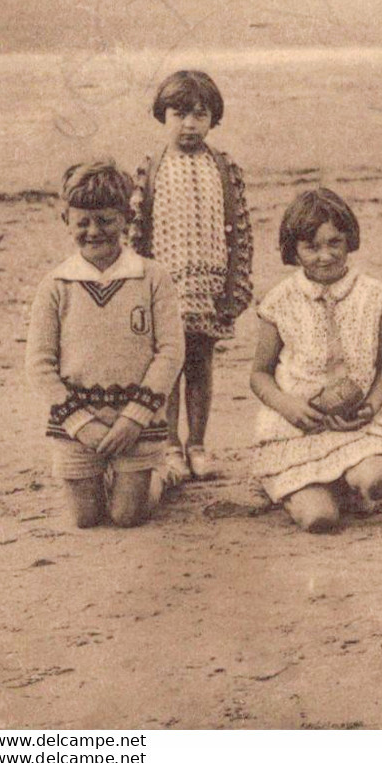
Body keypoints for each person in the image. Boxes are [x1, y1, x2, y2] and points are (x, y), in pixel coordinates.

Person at [24, 160, 184, 529]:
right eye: (83, 222)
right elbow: (39, 365)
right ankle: (108, 474)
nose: (94, 231)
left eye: (106, 221)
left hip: (136, 423)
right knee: (86, 518)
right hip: (78, 424)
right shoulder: (55, 284)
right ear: (67, 220)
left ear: (126, 219)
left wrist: (134, 419)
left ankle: (165, 472)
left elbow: (170, 353)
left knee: (128, 516)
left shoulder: (152, 277)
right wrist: (81, 425)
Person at [130, 71, 254, 487]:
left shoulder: (224, 168)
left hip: (209, 289)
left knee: (200, 363)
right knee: (167, 368)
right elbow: (136, 237)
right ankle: (169, 446)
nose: (189, 124)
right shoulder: (150, 169)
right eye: (179, 114)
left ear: (213, 118)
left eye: (199, 115)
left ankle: (197, 444)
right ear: (162, 116)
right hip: (164, 290)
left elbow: (240, 232)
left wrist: (235, 286)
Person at [250, 189, 382, 533]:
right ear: (294, 250)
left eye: (335, 243)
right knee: (320, 520)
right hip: (298, 427)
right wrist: (288, 407)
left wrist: (372, 406)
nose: (325, 255)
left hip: (354, 426)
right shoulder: (280, 300)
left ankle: (348, 481)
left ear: (349, 240)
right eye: (311, 247)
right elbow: (259, 375)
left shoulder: (375, 296)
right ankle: (298, 489)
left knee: (379, 481)